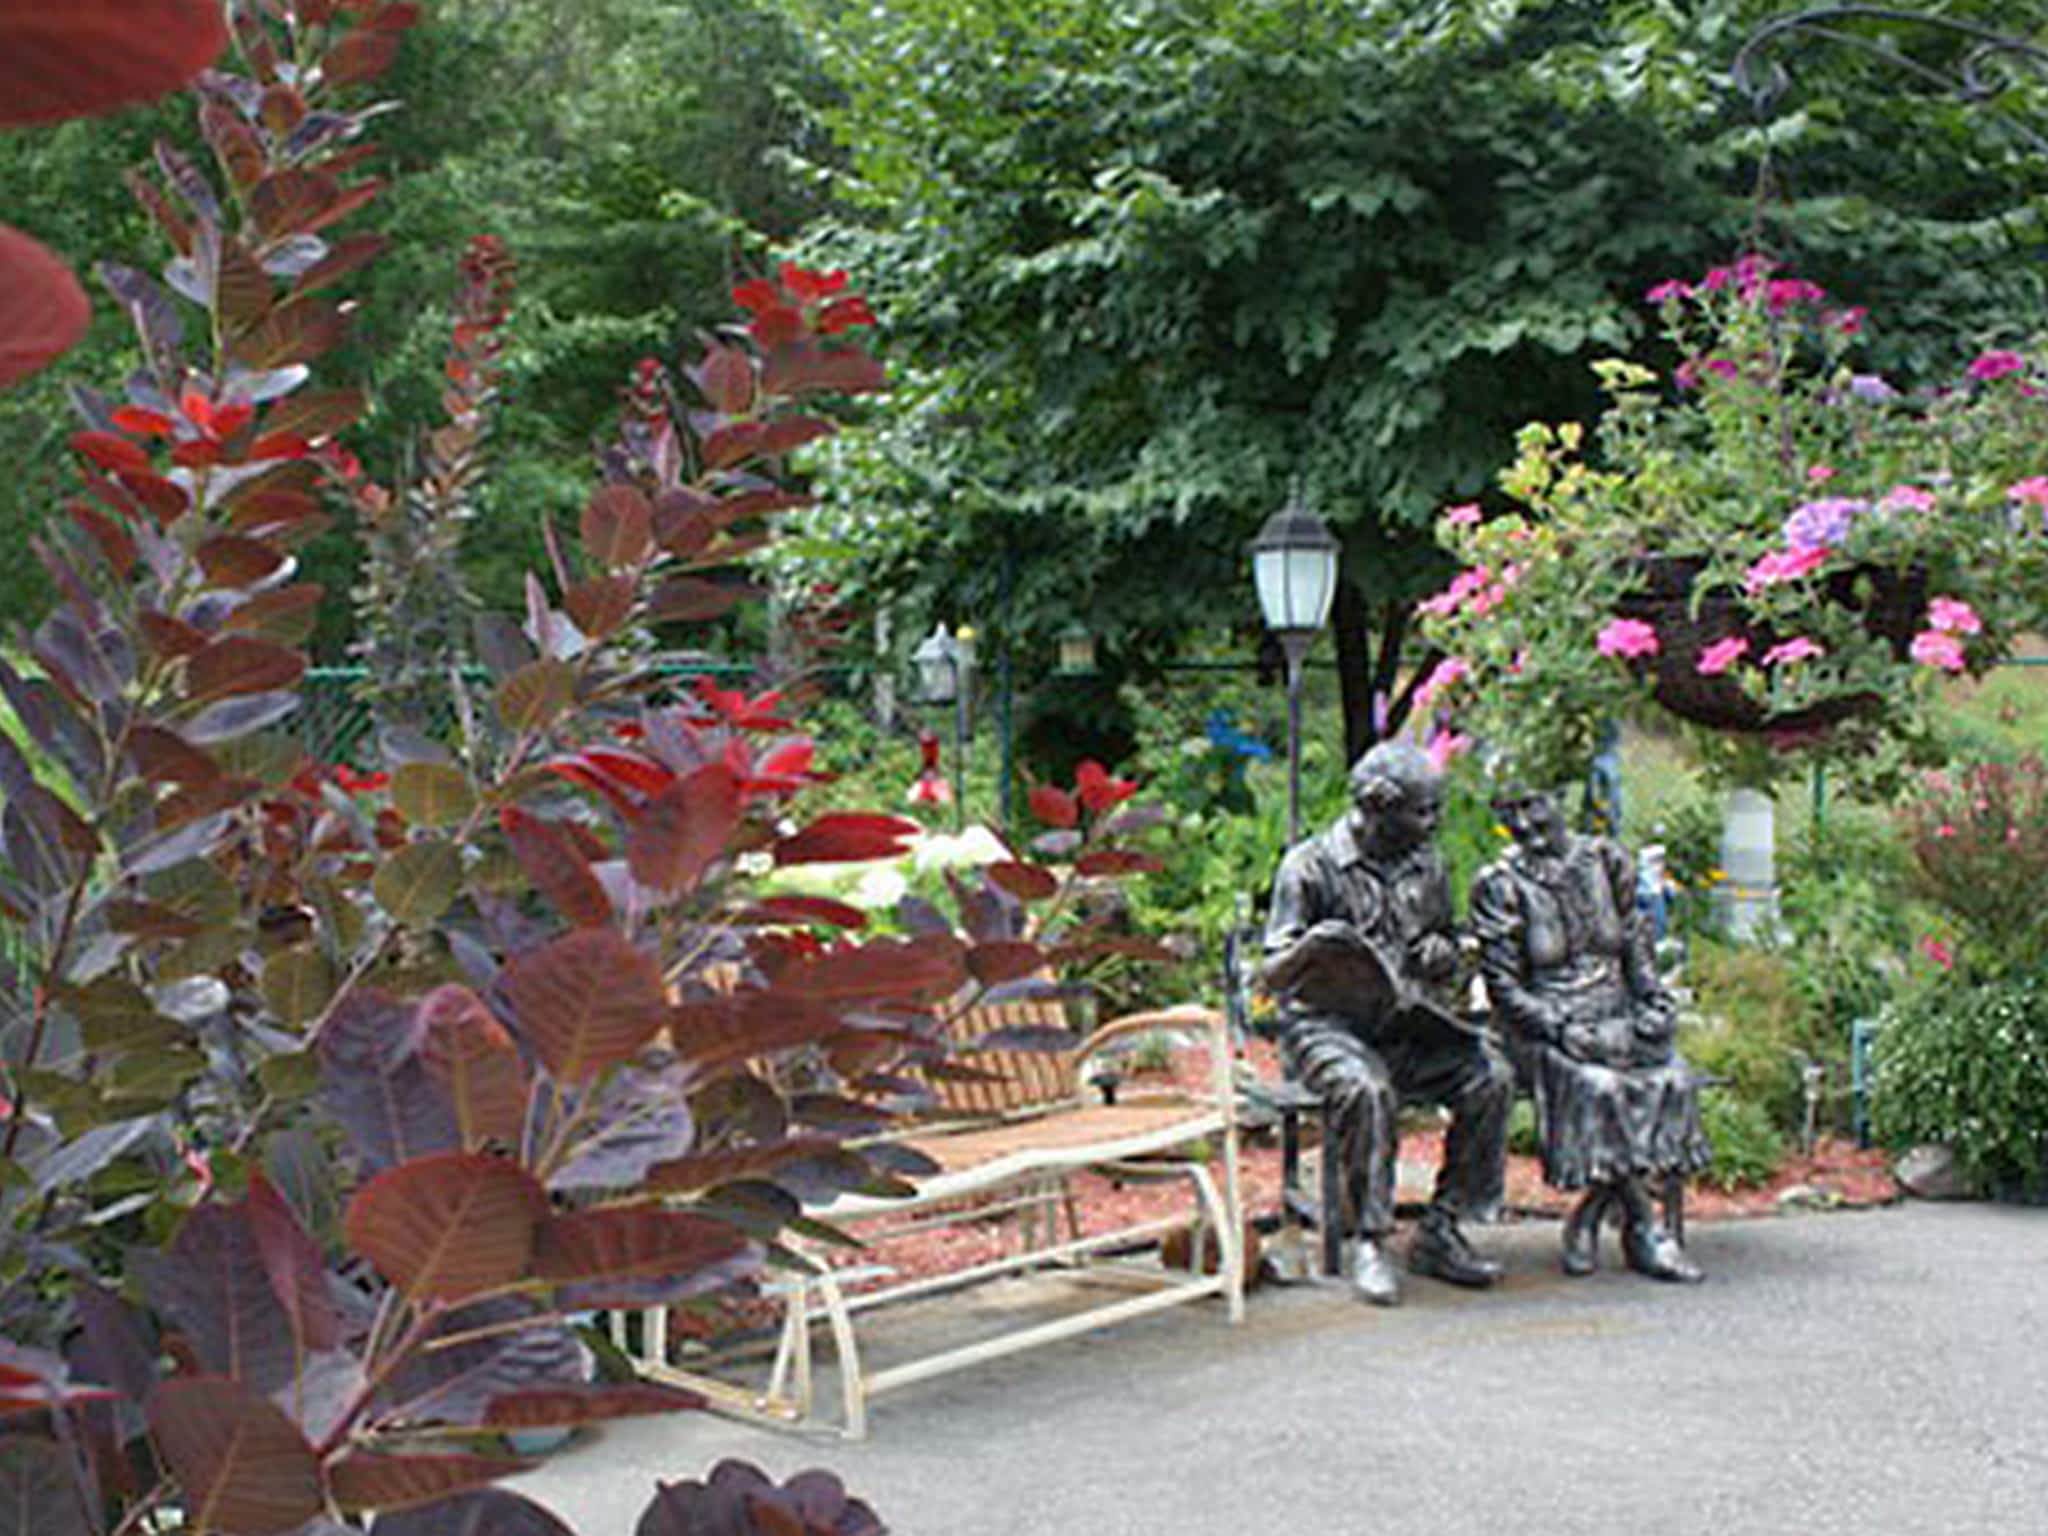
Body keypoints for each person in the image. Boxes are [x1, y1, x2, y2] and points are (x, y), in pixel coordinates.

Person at [1261, 741, 1512, 1305]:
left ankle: (1442, 1229)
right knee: (1367, 1089)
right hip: (1326, 1029)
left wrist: (1441, 952)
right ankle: (1370, 1239)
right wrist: (1311, 949)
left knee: (1490, 1074)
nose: (1434, 821)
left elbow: (1447, 938)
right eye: (1423, 810)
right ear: (1379, 806)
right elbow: (1270, 976)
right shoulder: (1310, 865)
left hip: (1405, 1023)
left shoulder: (1429, 865)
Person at [1469, 786, 1712, 1282]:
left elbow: (1635, 949)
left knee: (1674, 1077)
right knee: (1599, 1087)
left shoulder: (1607, 861)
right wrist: (1559, 1027)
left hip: (1616, 1018)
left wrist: (1654, 1003)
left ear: (1560, 800)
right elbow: (1504, 987)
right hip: (1540, 1030)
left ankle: (1591, 1211)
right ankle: (1644, 1226)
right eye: (1510, 815)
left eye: (1534, 808)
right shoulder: (1500, 884)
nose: (1526, 825)